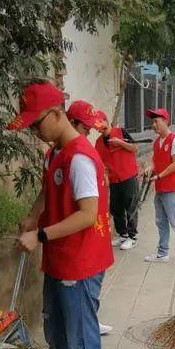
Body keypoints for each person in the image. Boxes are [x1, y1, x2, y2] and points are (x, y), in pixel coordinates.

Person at [6, 81, 113, 349]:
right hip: (59, 259)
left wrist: (40, 236)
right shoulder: (56, 152)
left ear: (55, 114)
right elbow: (47, 190)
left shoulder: (81, 157)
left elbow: (87, 215)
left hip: (80, 262)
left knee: (81, 337)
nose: (35, 133)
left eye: (37, 124)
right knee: (56, 332)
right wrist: (34, 216)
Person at [66, 100, 114, 336]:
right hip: (87, 234)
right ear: (71, 122)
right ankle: (88, 324)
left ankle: (91, 320)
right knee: (86, 289)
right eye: (85, 126)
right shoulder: (75, 155)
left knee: (93, 286)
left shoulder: (87, 149)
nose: (89, 130)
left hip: (99, 229)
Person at [145, 107, 175, 263]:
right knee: (161, 221)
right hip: (161, 187)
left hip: (173, 187)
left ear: (165, 121)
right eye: (152, 121)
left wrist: (158, 176)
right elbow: (155, 160)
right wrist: (149, 168)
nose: (153, 124)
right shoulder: (157, 141)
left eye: (156, 121)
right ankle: (162, 252)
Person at [95, 111, 140, 251]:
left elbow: (135, 148)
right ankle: (122, 234)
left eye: (100, 123)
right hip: (114, 179)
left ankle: (132, 237)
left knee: (130, 206)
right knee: (116, 208)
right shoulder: (98, 142)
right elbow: (100, 162)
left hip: (128, 175)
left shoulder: (121, 132)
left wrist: (120, 143)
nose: (98, 128)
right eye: (96, 126)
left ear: (106, 121)